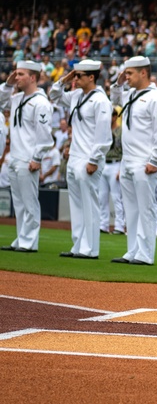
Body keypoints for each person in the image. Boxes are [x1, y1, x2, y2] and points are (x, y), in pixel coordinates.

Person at [48, 60, 112, 259]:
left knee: (90, 204)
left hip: (88, 158)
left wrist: (94, 159)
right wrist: (64, 80)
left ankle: (90, 249)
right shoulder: (76, 95)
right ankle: (78, 245)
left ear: (91, 77)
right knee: (76, 204)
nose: (75, 79)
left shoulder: (100, 100)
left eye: (79, 76)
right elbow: (54, 96)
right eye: (75, 75)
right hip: (75, 156)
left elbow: (103, 135)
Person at [110, 56, 157, 265]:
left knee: (146, 208)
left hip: (145, 161)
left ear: (143, 73)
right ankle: (132, 250)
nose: (126, 77)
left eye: (130, 73)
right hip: (127, 159)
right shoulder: (131, 94)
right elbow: (115, 99)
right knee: (130, 208)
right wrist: (118, 82)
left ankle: (145, 254)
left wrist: (155, 160)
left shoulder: (156, 98)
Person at [0, 60, 55, 252]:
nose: (16, 77)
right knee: (19, 203)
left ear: (33, 77)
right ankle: (21, 238)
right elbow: (0, 100)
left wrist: (37, 158)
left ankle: (30, 241)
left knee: (30, 201)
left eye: (21, 74)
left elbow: (45, 136)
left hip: (28, 158)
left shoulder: (41, 103)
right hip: (15, 157)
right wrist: (7, 84)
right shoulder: (17, 98)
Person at [99, 109, 124, 234]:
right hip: (104, 162)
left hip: (116, 162)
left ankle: (119, 226)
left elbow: (125, 150)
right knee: (102, 197)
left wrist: (121, 169)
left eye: (111, 115)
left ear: (115, 116)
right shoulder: (103, 130)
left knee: (116, 197)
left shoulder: (121, 131)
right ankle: (103, 224)